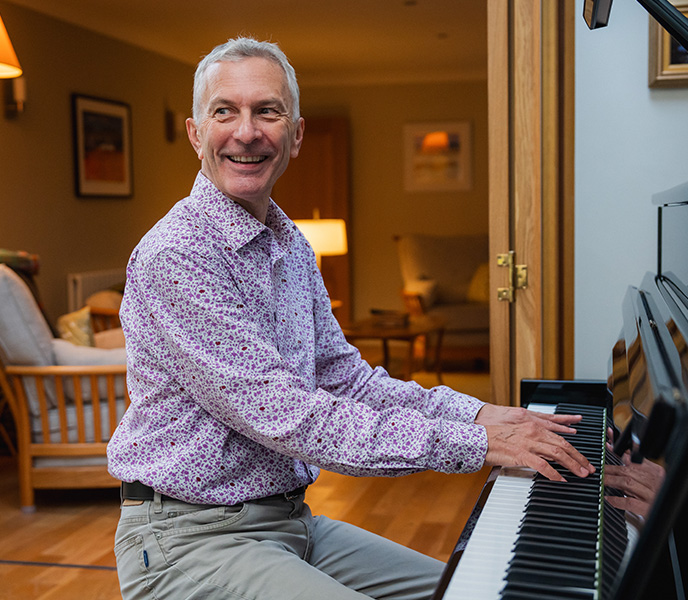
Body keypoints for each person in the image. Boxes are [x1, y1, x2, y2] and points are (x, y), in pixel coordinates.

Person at [107, 36, 594, 600]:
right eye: (225, 112)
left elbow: (349, 380)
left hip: (288, 521)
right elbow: (289, 416)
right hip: (188, 539)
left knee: (469, 593)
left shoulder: (289, 244)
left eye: (267, 111)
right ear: (197, 135)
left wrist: (484, 413)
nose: (246, 132)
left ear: (295, 135)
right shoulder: (179, 254)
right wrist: (474, 444)